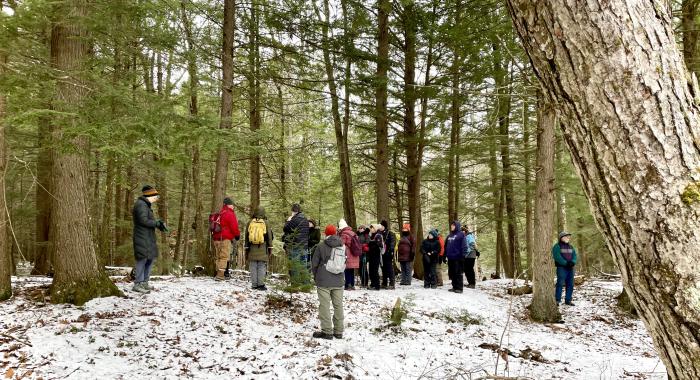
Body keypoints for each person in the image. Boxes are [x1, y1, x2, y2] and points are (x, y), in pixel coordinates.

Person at [132, 185, 168, 293]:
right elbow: (143, 220)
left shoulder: (145, 205)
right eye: (155, 196)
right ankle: (138, 283)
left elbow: (147, 220)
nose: (156, 198)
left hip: (148, 236)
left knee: (150, 258)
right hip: (141, 236)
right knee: (142, 259)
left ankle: (144, 282)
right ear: (150, 195)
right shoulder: (140, 205)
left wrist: (158, 224)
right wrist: (156, 223)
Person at [311, 224, 345, 339]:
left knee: (324, 306)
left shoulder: (320, 246)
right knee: (338, 306)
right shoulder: (342, 245)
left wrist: (316, 277)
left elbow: (314, 264)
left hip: (323, 280)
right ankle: (339, 331)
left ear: (325, 233)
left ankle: (327, 331)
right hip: (338, 280)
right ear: (335, 233)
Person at [212, 197, 241, 281]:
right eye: (232, 205)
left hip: (216, 239)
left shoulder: (220, 213)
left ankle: (218, 273)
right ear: (229, 205)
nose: (233, 207)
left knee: (218, 257)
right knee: (224, 257)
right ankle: (220, 276)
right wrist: (237, 235)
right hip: (224, 239)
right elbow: (234, 226)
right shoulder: (229, 213)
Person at [245, 206, 273, 291]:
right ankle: (261, 285)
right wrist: (270, 247)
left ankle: (254, 285)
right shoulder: (266, 222)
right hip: (263, 247)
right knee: (261, 265)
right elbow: (269, 236)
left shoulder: (250, 222)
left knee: (253, 265)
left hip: (251, 247)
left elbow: (246, 235)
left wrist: (246, 247)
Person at [283, 203, 310, 279]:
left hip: (295, 246)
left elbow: (285, 228)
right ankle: (305, 285)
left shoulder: (294, 219)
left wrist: (288, 221)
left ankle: (295, 285)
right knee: (303, 266)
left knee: (295, 267)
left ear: (293, 211)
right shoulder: (305, 220)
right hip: (304, 246)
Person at [553, 231, 578, 306]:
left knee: (570, 284)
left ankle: (568, 300)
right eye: (566, 236)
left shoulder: (571, 246)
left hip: (570, 268)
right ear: (561, 238)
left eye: (568, 236)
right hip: (561, 268)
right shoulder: (557, 246)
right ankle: (557, 300)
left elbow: (574, 256)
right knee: (560, 284)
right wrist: (566, 263)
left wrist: (573, 262)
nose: (568, 238)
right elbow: (557, 257)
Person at [445, 221, 467, 293]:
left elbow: (464, 246)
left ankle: (459, 288)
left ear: (457, 226)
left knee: (458, 273)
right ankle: (454, 286)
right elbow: (446, 246)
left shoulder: (461, 235)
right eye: (451, 225)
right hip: (450, 257)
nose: (452, 226)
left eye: (453, 225)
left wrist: (463, 256)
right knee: (452, 273)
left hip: (458, 257)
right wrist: (445, 255)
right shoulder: (449, 235)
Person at [338, 219, 360, 290]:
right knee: (351, 270)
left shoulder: (344, 234)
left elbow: (340, 243)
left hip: (348, 253)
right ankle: (352, 284)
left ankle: (348, 285)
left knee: (347, 269)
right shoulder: (353, 233)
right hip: (354, 253)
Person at [367, 224, 384, 290]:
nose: (371, 229)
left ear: (375, 228)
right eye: (370, 228)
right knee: (371, 270)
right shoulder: (372, 236)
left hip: (376, 256)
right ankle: (372, 284)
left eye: (372, 228)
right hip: (371, 255)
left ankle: (377, 285)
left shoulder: (378, 235)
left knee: (374, 270)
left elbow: (379, 245)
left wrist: (371, 245)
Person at [380, 220, 396, 289]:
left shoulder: (390, 233)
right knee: (383, 268)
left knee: (389, 268)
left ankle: (392, 283)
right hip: (382, 253)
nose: (380, 227)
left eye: (381, 226)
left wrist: (391, 250)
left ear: (384, 226)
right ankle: (384, 282)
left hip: (388, 253)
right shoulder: (380, 233)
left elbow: (393, 243)